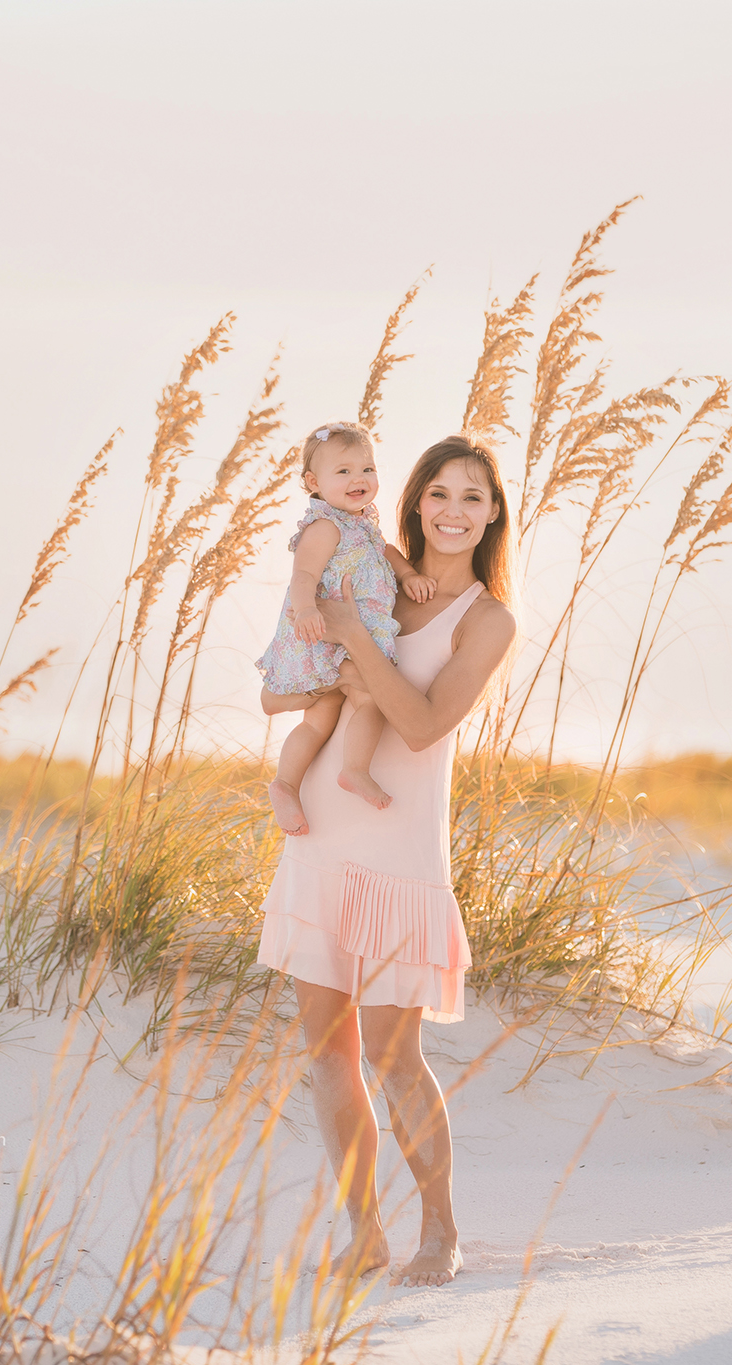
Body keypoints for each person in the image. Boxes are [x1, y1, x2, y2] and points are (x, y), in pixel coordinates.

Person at [256, 433, 518, 1288]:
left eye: (471, 497)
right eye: (438, 493)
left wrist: (348, 636)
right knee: (327, 1053)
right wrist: (320, 657)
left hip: (402, 851)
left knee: (392, 1054)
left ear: (492, 514)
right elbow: (284, 689)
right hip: (322, 835)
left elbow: (419, 723)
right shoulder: (368, 568)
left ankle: (439, 1229)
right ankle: (364, 1231)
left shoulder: (486, 620)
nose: (452, 510)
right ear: (414, 502)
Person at [255, 421, 436, 836]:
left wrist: (407, 575)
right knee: (359, 704)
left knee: (333, 713)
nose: (359, 479)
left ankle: (323, 776)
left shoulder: (364, 527)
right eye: (344, 471)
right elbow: (303, 576)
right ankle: (302, 779)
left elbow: (386, 551)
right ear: (313, 482)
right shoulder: (324, 527)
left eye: (367, 469)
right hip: (324, 635)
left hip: (353, 639)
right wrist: (304, 612)